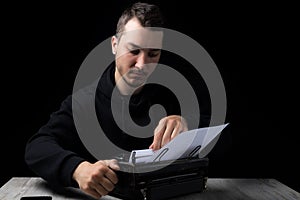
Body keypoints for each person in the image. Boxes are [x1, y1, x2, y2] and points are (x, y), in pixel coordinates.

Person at [24, 2, 197, 199]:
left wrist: (186, 123)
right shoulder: (84, 102)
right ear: (115, 45)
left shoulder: (170, 97)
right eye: (133, 51)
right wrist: (77, 169)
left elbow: (218, 129)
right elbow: (36, 147)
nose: (142, 65)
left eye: (153, 54)